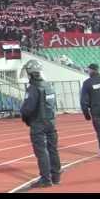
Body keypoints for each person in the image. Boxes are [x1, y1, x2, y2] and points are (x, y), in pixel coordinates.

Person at [19, 59, 62, 188]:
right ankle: (56, 176)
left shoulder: (33, 88)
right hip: (51, 122)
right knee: (53, 149)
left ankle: (46, 179)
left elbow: (28, 108)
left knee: (41, 152)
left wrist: (25, 118)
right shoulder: (48, 86)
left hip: (38, 123)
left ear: (30, 73)